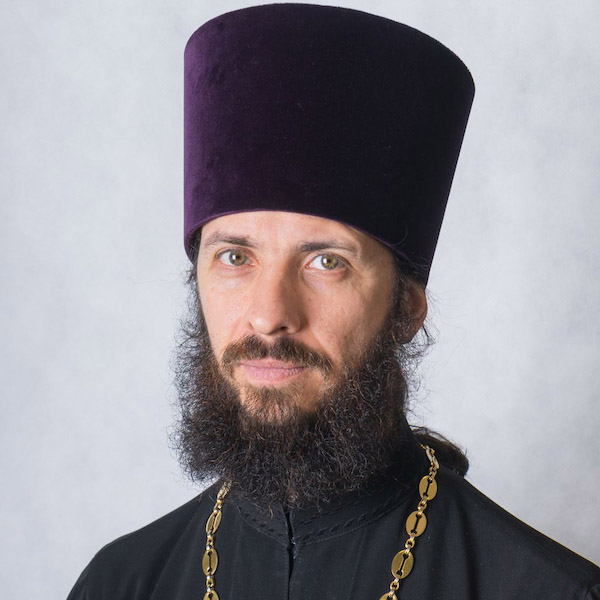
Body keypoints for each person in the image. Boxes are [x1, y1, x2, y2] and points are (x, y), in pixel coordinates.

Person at [67, 4, 600, 599]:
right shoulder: (120, 584)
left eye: (326, 262)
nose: (269, 315)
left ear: (406, 308)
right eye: (235, 257)